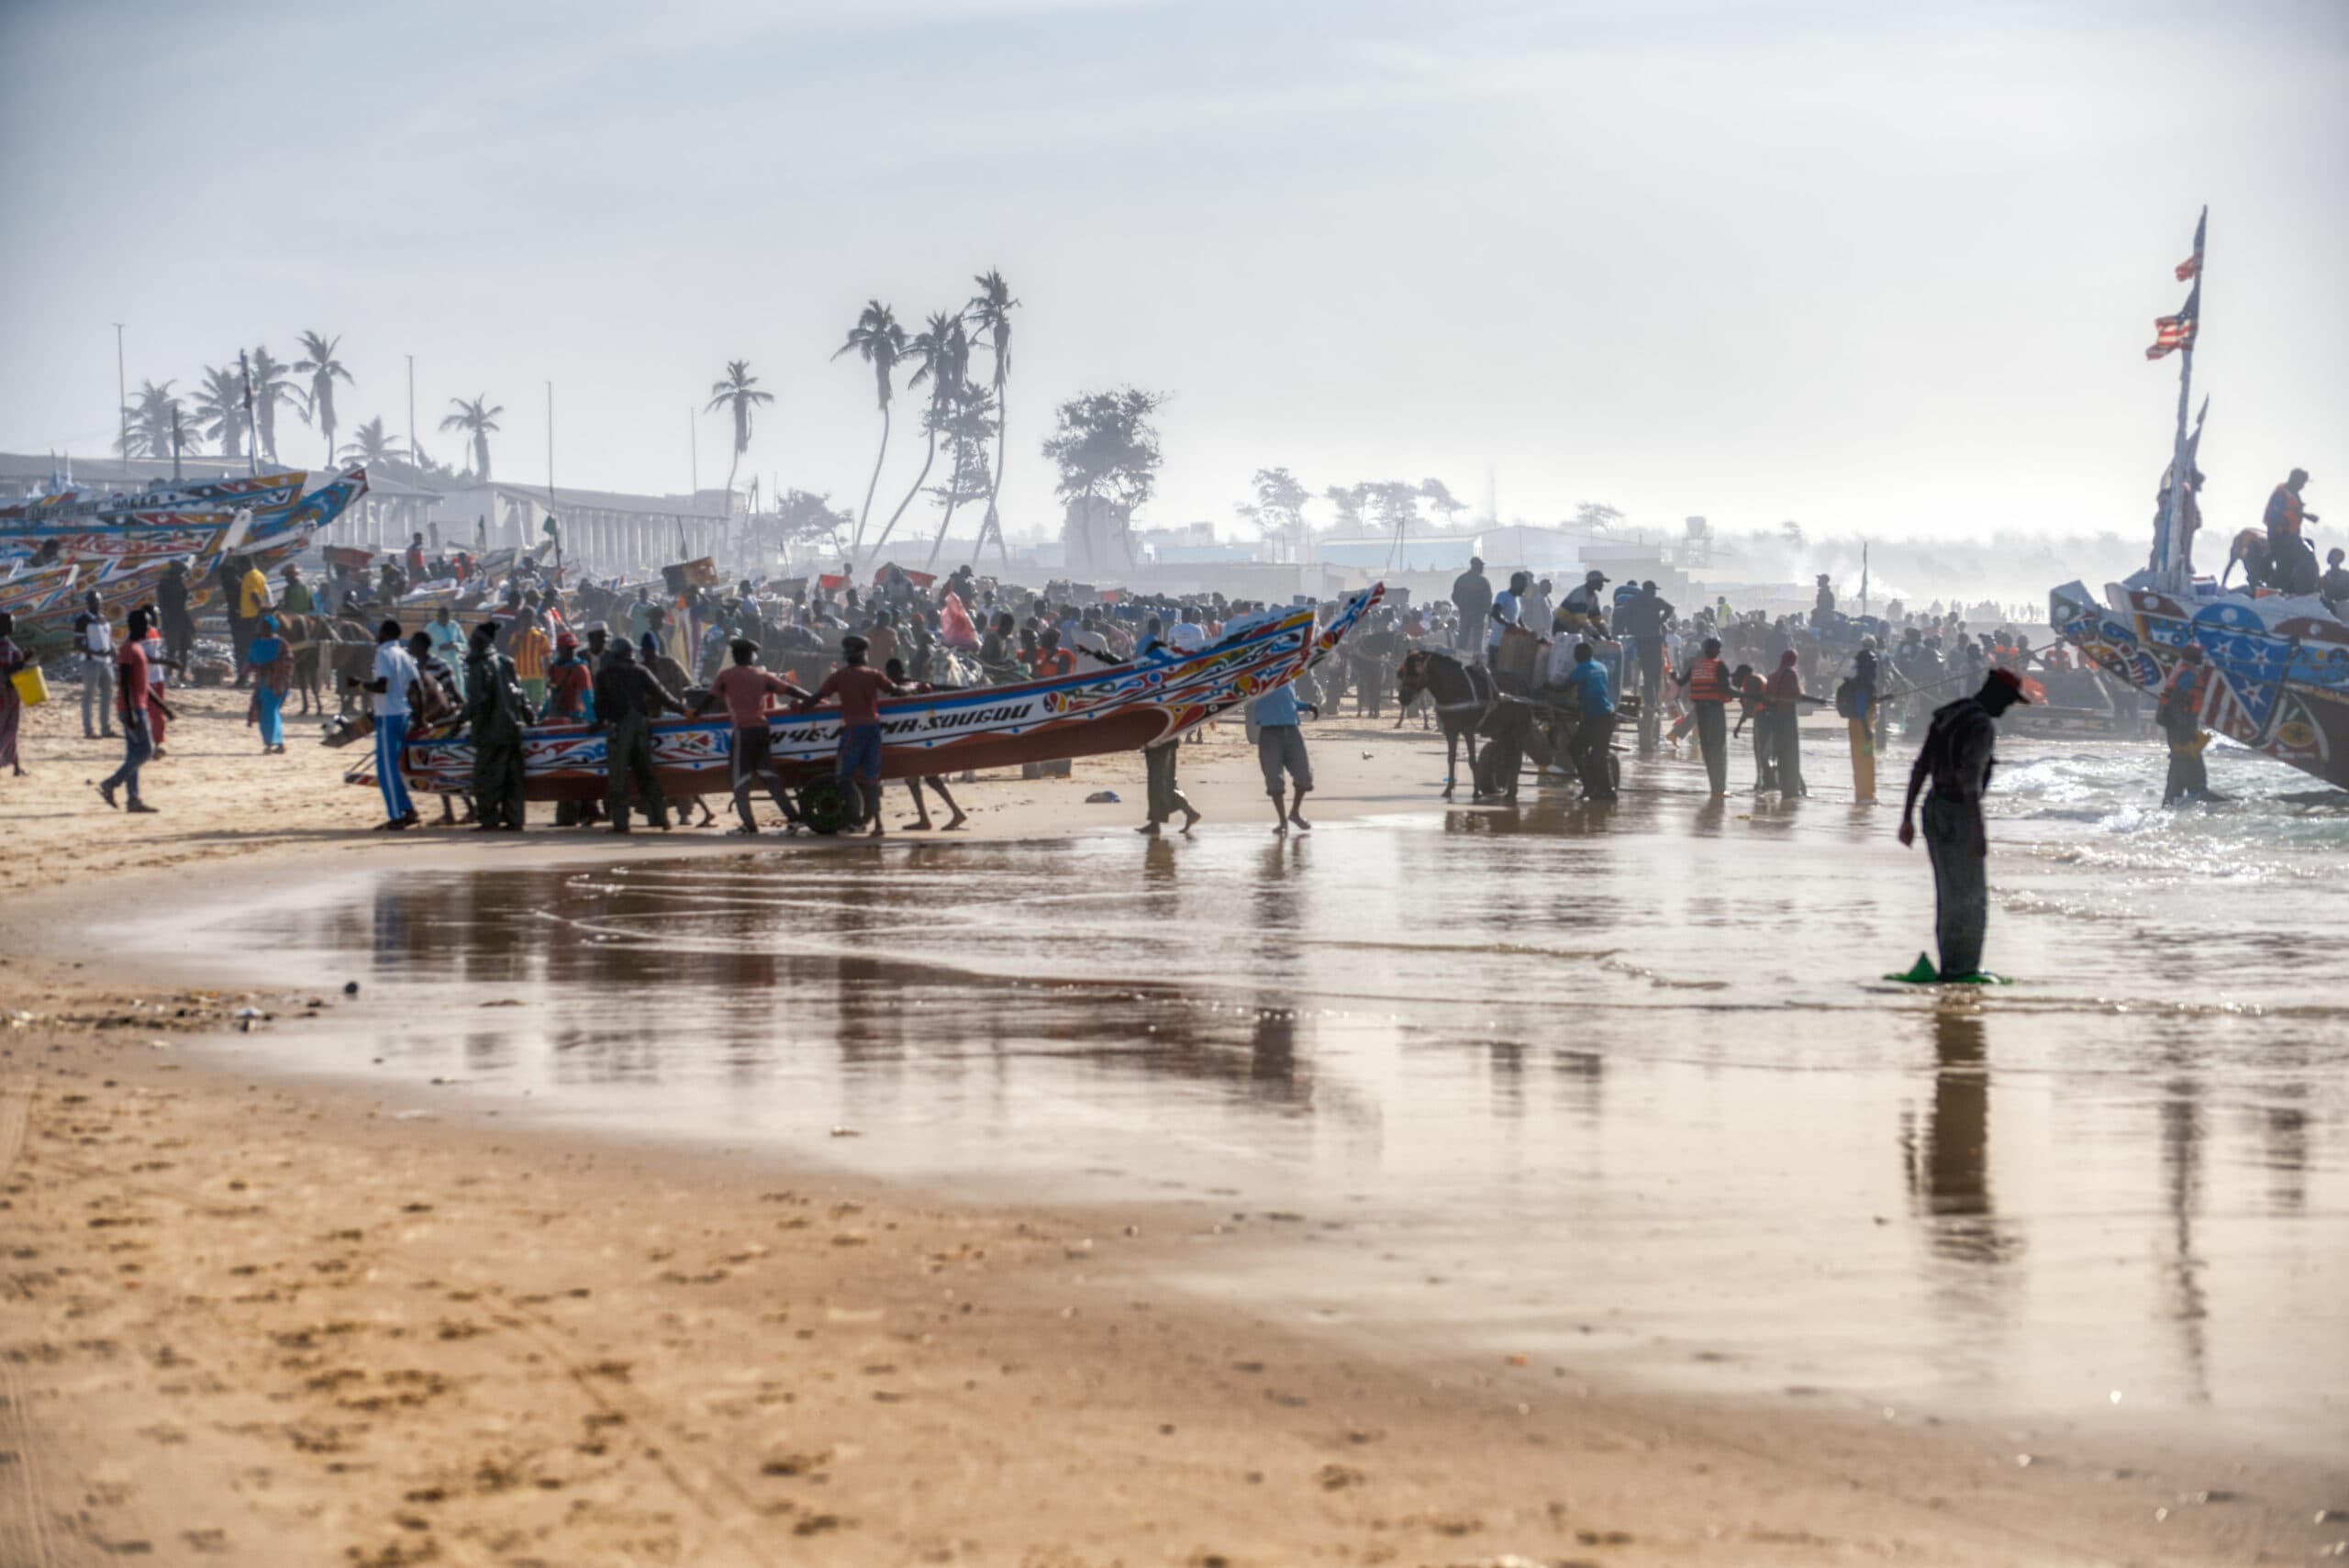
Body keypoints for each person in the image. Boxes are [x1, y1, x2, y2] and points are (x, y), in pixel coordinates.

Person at [1898, 669, 2031, 982]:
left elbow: (1921, 767)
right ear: (1995, 694)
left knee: (1948, 892)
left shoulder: (1950, 713)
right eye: (2008, 702)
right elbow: (1969, 780)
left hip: (1933, 808)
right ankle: (1962, 969)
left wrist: (1907, 817)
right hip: (1959, 812)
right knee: (1971, 897)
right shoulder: (1981, 724)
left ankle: (1949, 964)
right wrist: (1978, 831)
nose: (2007, 709)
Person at [805, 633, 904, 837]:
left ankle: (857, 821)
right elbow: (895, 690)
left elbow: (817, 697)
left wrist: (800, 706)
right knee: (872, 779)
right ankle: (878, 825)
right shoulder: (873, 674)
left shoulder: (839, 677)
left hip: (854, 731)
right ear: (863, 655)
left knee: (842, 777)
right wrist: (914, 692)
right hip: (874, 730)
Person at [710, 639, 808, 836]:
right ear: (752, 657)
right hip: (762, 730)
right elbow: (791, 690)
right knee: (769, 777)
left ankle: (749, 825)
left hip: (743, 731)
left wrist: (693, 714)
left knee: (740, 780)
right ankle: (794, 819)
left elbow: (710, 699)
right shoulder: (762, 676)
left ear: (735, 656)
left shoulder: (726, 676)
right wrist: (814, 700)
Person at [592, 640, 685, 833]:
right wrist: (685, 711)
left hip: (619, 726)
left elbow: (599, 705)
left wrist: (598, 723)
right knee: (646, 773)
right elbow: (663, 696)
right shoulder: (640, 671)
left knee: (618, 776)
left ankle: (621, 823)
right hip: (641, 725)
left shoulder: (603, 675)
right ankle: (661, 818)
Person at [881, 657, 968, 830]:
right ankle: (935, 816)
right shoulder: (918, 685)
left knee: (920, 778)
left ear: (891, 674)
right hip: (926, 739)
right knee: (924, 778)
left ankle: (946, 815)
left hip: (916, 742)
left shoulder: (903, 689)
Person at [351, 619, 422, 831]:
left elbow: (382, 686)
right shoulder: (404, 654)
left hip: (388, 715)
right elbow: (417, 685)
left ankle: (398, 815)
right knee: (392, 768)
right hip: (402, 714)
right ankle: (407, 810)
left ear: (384, 634)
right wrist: (420, 715)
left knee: (386, 771)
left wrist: (360, 684)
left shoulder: (383, 653)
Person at [95, 609, 167, 813]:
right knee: (145, 751)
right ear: (134, 626)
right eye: (145, 624)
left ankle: (133, 800)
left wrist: (164, 707)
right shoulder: (128, 649)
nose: (148, 628)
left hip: (137, 706)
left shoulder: (137, 648)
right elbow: (125, 683)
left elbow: (143, 684)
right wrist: (132, 713)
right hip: (133, 709)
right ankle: (111, 783)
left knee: (134, 755)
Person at [463, 624, 528, 830]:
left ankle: (489, 820)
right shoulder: (505, 662)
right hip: (512, 729)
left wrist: (458, 722)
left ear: (480, 641)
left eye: (472, 639)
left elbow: (476, 700)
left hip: (490, 731)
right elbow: (521, 695)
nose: (469, 642)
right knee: (512, 778)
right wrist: (530, 719)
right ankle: (514, 819)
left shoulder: (479, 665)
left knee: (485, 777)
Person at [1251, 678, 1317, 832]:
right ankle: (1282, 822)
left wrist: (1307, 706)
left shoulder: (1289, 674)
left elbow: (1290, 700)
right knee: (1274, 778)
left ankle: (1294, 813)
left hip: (1292, 728)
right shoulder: (1259, 673)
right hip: (1269, 730)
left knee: (1305, 776)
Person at [1677, 637, 1735, 797]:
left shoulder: (1695, 666)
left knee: (1707, 748)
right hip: (1715, 710)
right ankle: (1719, 789)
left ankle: (1714, 787)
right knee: (1719, 748)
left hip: (1700, 710)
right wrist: (1746, 694)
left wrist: (1671, 674)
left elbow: (1681, 682)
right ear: (1716, 651)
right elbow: (1727, 690)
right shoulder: (1720, 666)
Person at [1559, 641, 1617, 801]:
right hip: (1606, 715)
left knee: (1588, 753)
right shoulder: (1600, 667)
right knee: (1590, 753)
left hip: (1597, 717)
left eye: (1576, 654)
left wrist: (1547, 688)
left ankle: (1600, 790)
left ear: (1579, 656)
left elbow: (1565, 687)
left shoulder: (1582, 669)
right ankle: (1596, 788)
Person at [2155, 643, 2212, 806]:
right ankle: (2197, 802)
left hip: (2175, 726)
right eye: (2200, 655)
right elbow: (2174, 703)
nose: (2202, 658)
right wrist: (2186, 727)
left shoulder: (2181, 671)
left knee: (2178, 768)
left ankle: (2170, 804)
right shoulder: (2189, 675)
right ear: (2194, 657)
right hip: (2181, 726)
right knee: (2195, 770)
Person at [1762, 649, 1809, 796]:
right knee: (1791, 754)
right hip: (1788, 717)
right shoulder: (1791, 673)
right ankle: (1791, 791)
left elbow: (1767, 696)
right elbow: (1797, 694)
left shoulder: (1772, 675)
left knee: (1780, 752)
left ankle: (1784, 787)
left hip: (1774, 718)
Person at [2265, 469, 2319, 595]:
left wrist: (2307, 516)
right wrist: (2279, 530)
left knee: (2285, 569)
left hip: (2290, 537)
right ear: (2294, 479)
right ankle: (2307, 594)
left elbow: (2292, 511)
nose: (2303, 486)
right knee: (2307, 558)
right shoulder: (2281, 494)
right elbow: (2273, 515)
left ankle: (2272, 593)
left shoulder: (2293, 494)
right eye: (2301, 482)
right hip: (2282, 538)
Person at [246, 614, 290, 754]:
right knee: (267, 712)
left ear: (273, 628)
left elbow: (289, 663)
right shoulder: (256, 643)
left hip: (277, 684)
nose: (264, 629)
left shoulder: (281, 644)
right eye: (262, 626)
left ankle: (270, 743)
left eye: (267, 627)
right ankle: (279, 743)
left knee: (268, 713)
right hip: (261, 684)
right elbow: (250, 660)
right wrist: (243, 674)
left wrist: (272, 666)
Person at [1846, 642, 1880, 803]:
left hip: (1859, 726)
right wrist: (1867, 728)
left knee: (1864, 759)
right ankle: (1865, 795)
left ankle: (1865, 794)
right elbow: (1861, 707)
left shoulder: (1861, 682)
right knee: (1864, 760)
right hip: (1862, 727)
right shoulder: (1862, 684)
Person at [78, 595, 116, 740]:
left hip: (105, 661)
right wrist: (95, 652)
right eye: (93, 601)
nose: (96, 603)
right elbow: (77, 644)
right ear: (88, 603)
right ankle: (89, 730)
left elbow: (108, 640)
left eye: (98, 600)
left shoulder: (104, 619)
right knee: (89, 695)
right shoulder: (83, 620)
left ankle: (105, 728)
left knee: (107, 694)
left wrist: (113, 650)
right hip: (90, 662)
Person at [0, 611, 28, 778]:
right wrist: (24, 661)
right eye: (12, 622)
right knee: (10, 729)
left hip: (7, 694)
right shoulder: (4, 645)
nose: (14, 624)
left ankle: (17, 766)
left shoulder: (7, 643)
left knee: (9, 729)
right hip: (7, 695)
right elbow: (5, 671)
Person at [1449, 558, 1492, 659]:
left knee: (1463, 636)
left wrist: (1461, 605)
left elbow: (1454, 596)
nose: (1482, 568)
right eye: (1481, 566)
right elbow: (1488, 600)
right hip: (1477, 615)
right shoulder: (1482, 581)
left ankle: (1459, 657)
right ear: (1475, 566)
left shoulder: (1462, 579)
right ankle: (1475, 658)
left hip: (1466, 613)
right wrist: (1488, 614)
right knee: (1476, 638)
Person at [158, 561, 196, 669]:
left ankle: (181, 675)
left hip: (181, 620)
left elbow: (183, 606)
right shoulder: (164, 585)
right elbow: (162, 606)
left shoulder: (179, 584)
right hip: (172, 621)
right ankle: (171, 675)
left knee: (182, 649)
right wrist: (166, 623)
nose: (181, 575)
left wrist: (189, 623)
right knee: (172, 650)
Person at [512, 610, 552, 711]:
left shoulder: (540, 636)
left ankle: (534, 722)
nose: (526, 621)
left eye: (529, 618)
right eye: (524, 618)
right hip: (520, 677)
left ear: (533, 619)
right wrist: (519, 638)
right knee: (522, 705)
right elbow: (511, 653)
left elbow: (547, 657)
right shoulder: (516, 636)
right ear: (521, 620)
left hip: (537, 676)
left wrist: (549, 676)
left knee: (535, 705)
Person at [427, 605, 468, 694]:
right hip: (438, 666)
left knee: (458, 690)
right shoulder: (430, 628)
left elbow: (465, 644)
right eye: (443, 617)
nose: (445, 620)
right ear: (438, 617)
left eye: (447, 617)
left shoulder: (455, 626)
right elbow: (424, 647)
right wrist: (439, 648)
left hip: (455, 665)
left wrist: (456, 645)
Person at [2321, 547, 2349, 613]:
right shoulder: (2324, 578)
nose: (2335, 559)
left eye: (2337, 557)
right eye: (2333, 557)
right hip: (2328, 609)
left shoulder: (2346, 575)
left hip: (2345, 607)